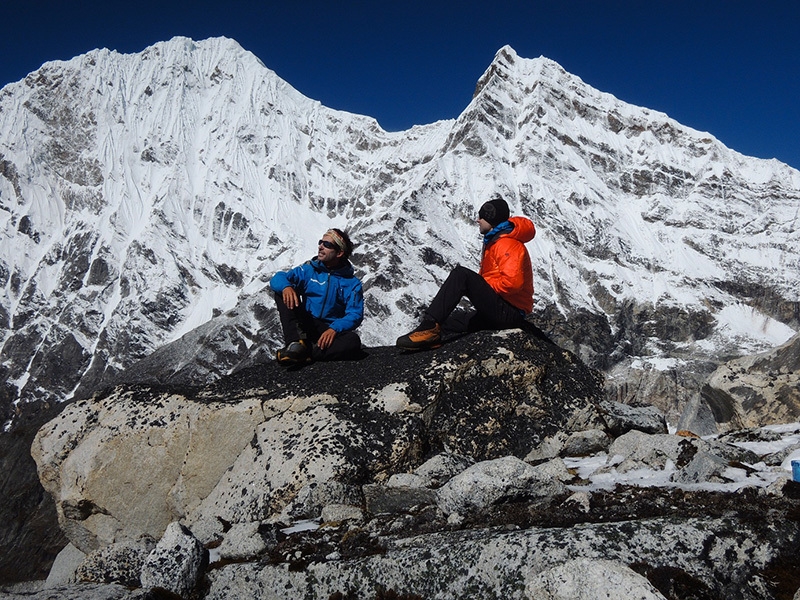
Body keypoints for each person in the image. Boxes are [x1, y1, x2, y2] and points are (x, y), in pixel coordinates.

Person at [396, 196, 535, 349]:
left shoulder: (507, 244)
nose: (478, 220)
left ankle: (428, 328)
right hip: (502, 309)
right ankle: (430, 340)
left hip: (509, 313)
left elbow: (513, 284)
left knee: (461, 275)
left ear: (491, 219)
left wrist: (482, 284)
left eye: (481, 217)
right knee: (449, 323)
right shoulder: (496, 242)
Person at [270, 228, 364, 364]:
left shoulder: (352, 283)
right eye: (321, 242)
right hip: (306, 322)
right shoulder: (309, 270)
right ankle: (295, 343)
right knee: (282, 291)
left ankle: (304, 353)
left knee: (352, 341)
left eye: (327, 245)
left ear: (339, 253)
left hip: (329, 329)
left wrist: (334, 329)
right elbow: (278, 277)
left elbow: (355, 314)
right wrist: (286, 287)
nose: (320, 247)